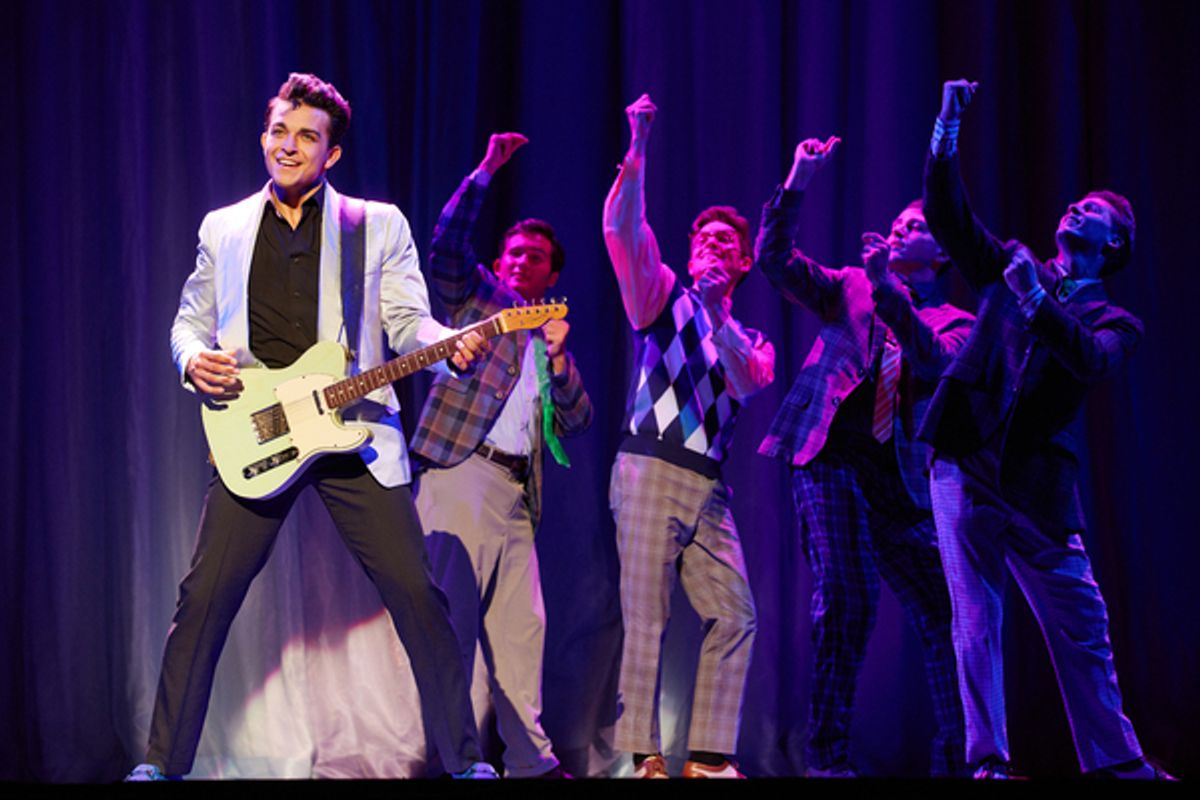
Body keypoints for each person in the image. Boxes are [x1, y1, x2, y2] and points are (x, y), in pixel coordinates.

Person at [126, 73, 494, 781]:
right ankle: (159, 766)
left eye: (305, 137)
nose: (287, 146)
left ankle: (467, 762)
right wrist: (190, 358)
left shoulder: (376, 224)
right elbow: (188, 320)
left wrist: (447, 342)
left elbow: (408, 321)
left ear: (332, 155)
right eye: (278, 131)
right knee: (202, 599)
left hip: (353, 429)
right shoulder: (223, 227)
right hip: (260, 431)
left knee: (418, 595)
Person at [921, 79, 1173, 780]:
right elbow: (950, 216)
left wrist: (1035, 296)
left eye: (1091, 210)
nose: (1074, 206)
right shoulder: (1010, 267)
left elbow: (1089, 359)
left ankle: (1118, 765)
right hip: (964, 463)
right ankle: (990, 763)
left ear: (1113, 241)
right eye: (1076, 201)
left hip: (1035, 487)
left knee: (1082, 626)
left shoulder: (1115, 320)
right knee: (975, 623)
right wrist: (948, 128)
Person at [756, 137, 973, 777]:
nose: (904, 225)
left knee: (946, 604)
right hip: (826, 457)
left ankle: (961, 758)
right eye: (901, 220)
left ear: (941, 255)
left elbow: (934, 361)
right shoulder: (850, 285)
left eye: (920, 225)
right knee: (849, 598)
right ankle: (828, 759)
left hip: (896, 479)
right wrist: (797, 179)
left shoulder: (956, 319)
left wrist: (889, 291)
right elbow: (775, 261)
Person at [602, 94, 775, 779]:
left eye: (725, 244)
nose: (711, 246)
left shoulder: (746, 334)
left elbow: (749, 379)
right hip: (649, 467)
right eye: (703, 238)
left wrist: (716, 315)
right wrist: (638, 146)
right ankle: (643, 756)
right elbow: (622, 228)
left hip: (709, 486)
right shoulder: (661, 296)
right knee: (646, 615)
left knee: (735, 613)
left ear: (743, 265)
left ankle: (706, 759)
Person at [411, 132, 592, 778]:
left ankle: (531, 764)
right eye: (513, 252)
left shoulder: (546, 335)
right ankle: (454, 763)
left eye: (535, 256)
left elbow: (577, 418)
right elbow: (446, 248)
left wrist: (561, 356)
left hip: (518, 495)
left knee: (522, 634)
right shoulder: (478, 298)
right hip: (461, 471)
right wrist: (486, 170)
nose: (521, 261)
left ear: (552, 274)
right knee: (450, 626)